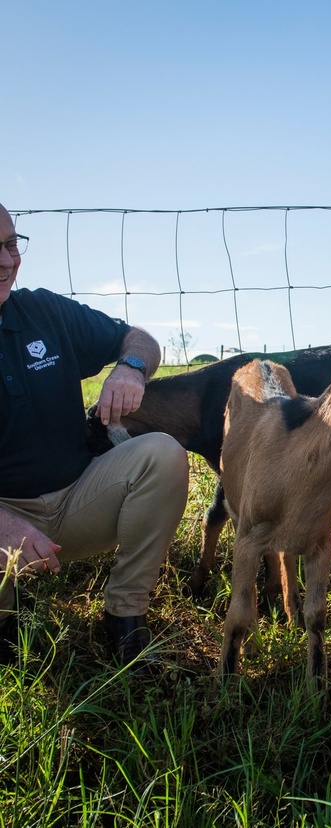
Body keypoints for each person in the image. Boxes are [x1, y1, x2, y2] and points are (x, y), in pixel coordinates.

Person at [0, 203, 190, 674]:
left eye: (10, 245)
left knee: (162, 453)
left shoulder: (44, 312)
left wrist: (130, 367)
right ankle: (6, 621)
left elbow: (140, 338)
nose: (7, 261)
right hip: (4, 517)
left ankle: (125, 616)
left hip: (76, 500)